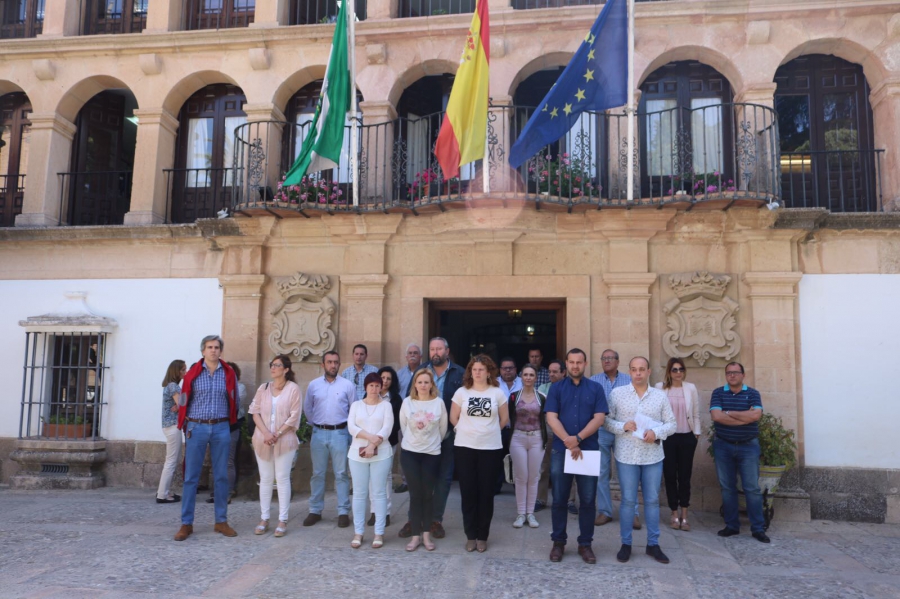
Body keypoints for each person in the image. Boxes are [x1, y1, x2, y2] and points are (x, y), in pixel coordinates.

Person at [606, 357, 676, 564]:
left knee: (652, 500)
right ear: (629, 371)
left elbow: (672, 424)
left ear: (649, 371)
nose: (638, 373)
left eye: (642, 369)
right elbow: (606, 421)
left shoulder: (660, 396)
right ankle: (626, 544)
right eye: (634, 369)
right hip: (626, 455)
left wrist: (656, 432)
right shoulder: (617, 394)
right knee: (628, 500)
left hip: (653, 456)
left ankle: (653, 544)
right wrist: (622, 426)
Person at [174, 335, 239, 541]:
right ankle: (186, 523)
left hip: (221, 427)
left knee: (221, 477)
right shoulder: (193, 373)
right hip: (197, 427)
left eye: (217, 347)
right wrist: (184, 420)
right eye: (209, 347)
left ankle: (221, 521)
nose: (213, 350)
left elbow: (234, 399)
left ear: (221, 351)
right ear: (203, 351)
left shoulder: (228, 373)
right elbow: (184, 398)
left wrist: (230, 423)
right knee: (191, 477)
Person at [545, 348, 608, 564]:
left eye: (579, 362)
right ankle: (558, 542)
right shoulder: (556, 388)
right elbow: (551, 418)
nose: (575, 366)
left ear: (585, 363)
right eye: (571, 362)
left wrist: (578, 439)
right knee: (560, 499)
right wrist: (568, 441)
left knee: (588, 501)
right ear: (566, 364)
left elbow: (599, 418)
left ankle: (585, 544)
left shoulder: (596, 388)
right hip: (562, 451)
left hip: (587, 451)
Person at [398, 337, 464, 540]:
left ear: (447, 351)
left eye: (439, 349)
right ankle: (414, 520)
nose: (435, 352)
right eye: (432, 349)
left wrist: (444, 433)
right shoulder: (421, 371)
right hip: (419, 438)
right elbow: (410, 401)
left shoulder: (460, 373)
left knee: (443, 480)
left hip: (447, 435)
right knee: (417, 482)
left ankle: (435, 520)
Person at [450, 354, 509, 552]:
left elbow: (504, 419)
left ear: (488, 372)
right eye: (474, 369)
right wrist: (467, 431)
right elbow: (453, 417)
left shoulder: (497, 393)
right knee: (468, 492)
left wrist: (488, 432)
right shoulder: (461, 392)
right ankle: (470, 535)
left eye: (481, 369)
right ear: (470, 372)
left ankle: (482, 535)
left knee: (486, 493)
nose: (477, 373)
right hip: (465, 448)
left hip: (490, 449)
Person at [711, 362, 770, 543]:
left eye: (736, 372)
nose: (732, 375)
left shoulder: (753, 393)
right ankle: (731, 526)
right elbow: (717, 417)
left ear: (743, 375)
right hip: (723, 446)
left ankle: (758, 528)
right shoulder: (718, 393)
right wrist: (743, 416)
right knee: (727, 487)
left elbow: (755, 416)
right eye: (729, 373)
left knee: (751, 488)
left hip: (748, 447)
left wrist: (728, 413)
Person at [249, 354, 302, 538]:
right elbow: (254, 412)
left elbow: (294, 416)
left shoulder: (293, 389)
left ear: (286, 369)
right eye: (272, 364)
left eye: (277, 365)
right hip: (262, 439)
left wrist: (277, 434)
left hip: (284, 440)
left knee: (282, 478)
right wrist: (266, 433)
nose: (273, 367)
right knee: (265, 478)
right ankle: (264, 518)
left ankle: (282, 519)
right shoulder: (263, 388)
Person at [303, 350, 357, 528]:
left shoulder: (347, 385)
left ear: (339, 364)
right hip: (319, 433)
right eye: (330, 362)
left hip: (340, 433)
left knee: (341, 474)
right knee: (317, 473)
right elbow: (307, 409)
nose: (333, 365)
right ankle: (315, 510)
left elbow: (353, 410)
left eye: (336, 362)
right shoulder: (313, 385)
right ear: (323, 364)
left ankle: (343, 512)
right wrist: (317, 425)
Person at [399, 368, 448, 551]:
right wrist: (415, 442)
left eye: (426, 382)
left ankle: (426, 535)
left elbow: (442, 430)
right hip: (410, 453)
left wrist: (430, 442)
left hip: (431, 454)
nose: (423, 385)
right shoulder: (407, 403)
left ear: (432, 384)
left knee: (428, 495)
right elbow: (404, 427)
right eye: (420, 382)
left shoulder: (438, 403)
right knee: (415, 494)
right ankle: (415, 537)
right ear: (415, 385)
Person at [589, 349, 637, 528]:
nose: (607, 361)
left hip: (625, 431)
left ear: (618, 361)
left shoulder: (628, 380)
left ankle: (633, 513)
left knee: (628, 472)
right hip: (601, 430)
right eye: (604, 358)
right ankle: (604, 511)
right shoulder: (594, 380)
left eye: (610, 358)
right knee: (601, 472)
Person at [347, 373, 394, 549]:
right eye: (371, 385)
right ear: (365, 387)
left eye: (377, 385)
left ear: (381, 387)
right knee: (359, 493)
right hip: (357, 454)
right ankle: (358, 532)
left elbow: (387, 428)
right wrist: (369, 440)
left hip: (381, 454)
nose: (374, 389)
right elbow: (352, 426)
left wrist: (373, 444)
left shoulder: (386, 406)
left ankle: (378, 532)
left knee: (379, 493)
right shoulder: (356, 405)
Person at [655, 357, 701, 531]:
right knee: (669, 476)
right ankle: (673, 513)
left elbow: (696, 413)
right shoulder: (660, 388)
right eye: (674, 369)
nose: (678, 373)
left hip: (687, 437)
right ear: (669, 371)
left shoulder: (691, 388)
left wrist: (696, 434)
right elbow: (656, 413)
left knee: (685, 476)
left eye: (681, 369)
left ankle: (685, 515)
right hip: (668, 437)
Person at [508, 364, 547, 529]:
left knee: (534, 476)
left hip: (537, 438)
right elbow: (509, 417)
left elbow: (546, 419)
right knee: (521, 477)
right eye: (526, 374)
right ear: (521, 377)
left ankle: (530, 513)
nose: (529, 377)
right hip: (518, 437)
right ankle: (520, 513)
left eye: (532, 375)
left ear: (536, 377)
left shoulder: (542, 397)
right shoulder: (513, 397)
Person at [366, 366, 402, 526]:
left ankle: (385, 512)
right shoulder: (368, 396)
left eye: (389, 378)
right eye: (383, 378)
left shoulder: (396, 399)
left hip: (388, 442)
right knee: (371, 479)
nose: (385, 381)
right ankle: (374, 511)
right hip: (369, 443)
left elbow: (396, 424)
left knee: (385, 477)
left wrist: (381, 437)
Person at [208, 361, 248, 505]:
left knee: (229, 460)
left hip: (232, 425)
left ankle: (229, 491)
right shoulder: (218, 385)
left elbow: (235, 402)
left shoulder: (240, 387)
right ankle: (217, 490)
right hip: (216, 425)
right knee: (217, 460)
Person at [535, 359, 566, 512]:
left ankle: (570, 501)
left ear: (563, 373)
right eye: (550, 371)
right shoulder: (542, 387)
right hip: (547, 430)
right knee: (543, 466)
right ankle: (541, 499)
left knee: (567, 467)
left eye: (555, 372)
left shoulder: (569, 387)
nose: (551, 374)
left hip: (566, 431)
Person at [157, 359, 185, 504]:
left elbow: (179, 403)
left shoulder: (170, 385)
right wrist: (180, 405)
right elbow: (182, 403)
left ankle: (164, 491)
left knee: (171, 460)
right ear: (177, 371)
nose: (185, 373)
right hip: (173, 426)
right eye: (183, 370)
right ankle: (162, 494)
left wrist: (179, 405)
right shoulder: (173, 385)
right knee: (171, 461)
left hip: (170, 425)